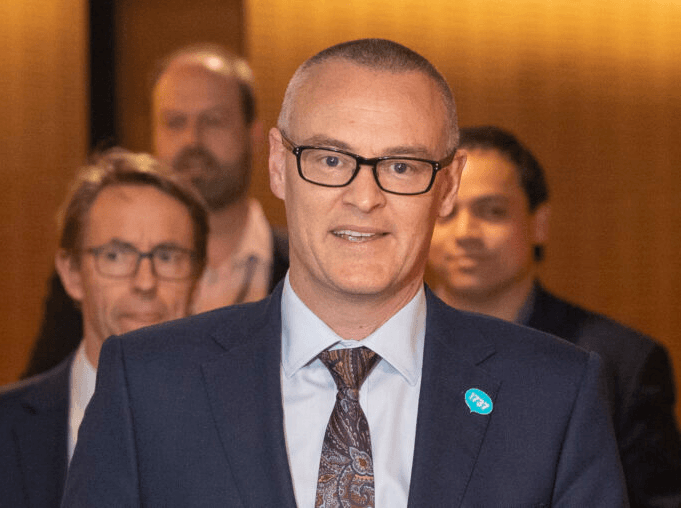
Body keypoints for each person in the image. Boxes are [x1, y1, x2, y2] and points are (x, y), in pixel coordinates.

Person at [62, 39, 628, 507]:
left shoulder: (552, 395)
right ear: (279, 166)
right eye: (331, 160)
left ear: (449, 185)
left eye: (402, 166)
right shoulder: (150, 384)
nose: (364, 197)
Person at [427, 125, 681, 507]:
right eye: (445, 211)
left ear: (538, 223)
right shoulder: (380, 345)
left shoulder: (619, 363)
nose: (465, 232)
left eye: (492, 212)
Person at [0, 149, 208, 508]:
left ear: (196, 277)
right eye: (116, 255)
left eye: (167, 256)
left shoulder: (248, 432)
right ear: (71, 273)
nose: (145, 281)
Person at [21, 44, 289, 378]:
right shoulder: (98, 265)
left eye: (214, 121)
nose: (193, 140)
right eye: (175, 122)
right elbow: (46, 407)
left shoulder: (308, 268)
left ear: (254, 134)